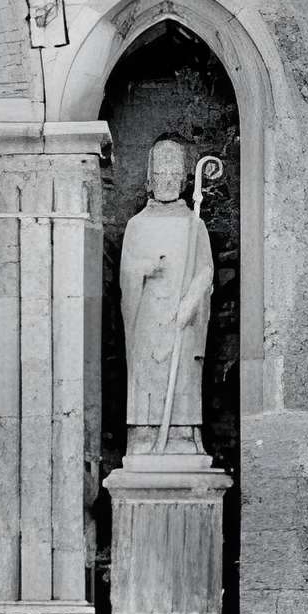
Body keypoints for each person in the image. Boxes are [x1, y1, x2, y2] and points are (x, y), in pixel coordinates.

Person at [119, 138, 214, 459]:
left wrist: (191, 302)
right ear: (150, 178)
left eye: (174, 174)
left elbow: (206, 270)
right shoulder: (136, 226)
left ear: (185, 179)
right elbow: (126, 273)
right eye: (161, 174)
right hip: (147, 318)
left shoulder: (194, 224)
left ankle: (183, 434)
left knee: (184, 373)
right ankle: (144, 433)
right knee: (145, 373)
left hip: (181, 317)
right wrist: (145, 267)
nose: (167, 180)